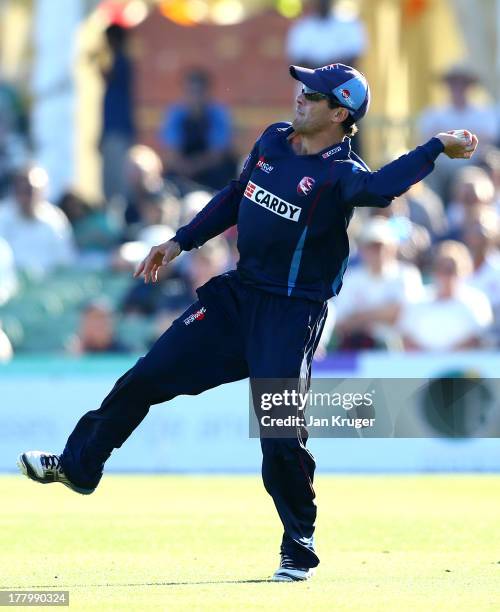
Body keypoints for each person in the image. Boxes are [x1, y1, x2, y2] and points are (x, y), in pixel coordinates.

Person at [18, 63, 478, 582]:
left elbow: (381, 188)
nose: (299, 98)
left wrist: (435, 146)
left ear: (339, 113)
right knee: (146, 377)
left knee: (281, 435)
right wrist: (180, 241)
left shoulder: (340, 175)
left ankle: (298, 546)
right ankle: (80, 466)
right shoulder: (274, 139)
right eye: (302, 89)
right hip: (238, 298)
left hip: (292, 313)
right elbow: (237, 196)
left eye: (313, 94)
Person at [399, 241, 492, 351]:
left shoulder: (477, 301)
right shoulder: (418, 300)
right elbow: (406, 336)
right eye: (441, 268)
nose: (446, 275)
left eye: (451, 269)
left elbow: (479, 337)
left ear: (464, 270)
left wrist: (448, 357)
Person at [158, 68, 236, 192]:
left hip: (212, 174)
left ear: (207, 92)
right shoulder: (175, 114)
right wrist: (185, 168)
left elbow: (218, 155)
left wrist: (193, 167)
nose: (194, 97)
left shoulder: (218, 114)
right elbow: (170, 154)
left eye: (198, 92)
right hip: (181, 173)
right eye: (190, 92)